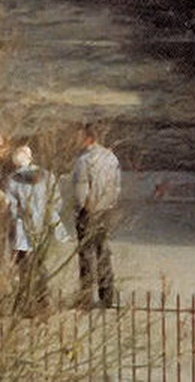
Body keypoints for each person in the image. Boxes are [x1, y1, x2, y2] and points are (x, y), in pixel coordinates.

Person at [3, 144, 67, 312]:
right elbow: (57, 201)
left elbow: (10, 206)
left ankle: (26, 301)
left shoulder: (12, 180)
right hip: (44, 227)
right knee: (40, 263)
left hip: (23, 229)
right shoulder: (48, 176)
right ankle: (44, 298)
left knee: (25, 267)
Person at [71, 122, 121, 308]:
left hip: (88, 211)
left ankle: (85, 296)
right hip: (105, 210)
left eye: (79, 137)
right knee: (103, 251)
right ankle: (107, 294)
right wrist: (108, 203)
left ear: (88, 139)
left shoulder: (84, 161)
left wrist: (81, 207)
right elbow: (116, 185)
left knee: (86, 254)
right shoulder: (111, 158)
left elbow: (81, 188)